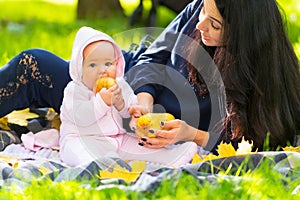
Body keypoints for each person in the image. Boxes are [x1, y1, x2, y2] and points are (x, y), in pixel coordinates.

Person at [0, 0, 299, 155]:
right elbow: (154, 55)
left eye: (215, 24)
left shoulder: (264, 79)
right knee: (32, 64)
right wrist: (142, 98)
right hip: (120, 86)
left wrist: (190, 134)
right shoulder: (201, 9)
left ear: (243, 35)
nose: (201, 24)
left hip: (129, 131)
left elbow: (255, 141)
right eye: (203, 13)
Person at [59, 26, 197, 167]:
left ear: (116, 63)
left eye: (108, 63)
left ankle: (170, 156)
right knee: (80, 152)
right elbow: (81, 117)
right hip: (82, 139)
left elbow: (128, 110)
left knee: (141, 145)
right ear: (79, 68)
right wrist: (102, 102)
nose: (102, 71)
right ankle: (99, 164)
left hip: (117, 138)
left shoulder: (119, 85)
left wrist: (130, 109)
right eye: (93, 65)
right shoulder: (75, 90)